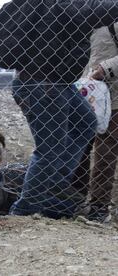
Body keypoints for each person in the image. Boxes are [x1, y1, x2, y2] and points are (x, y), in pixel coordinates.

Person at [0, 0, 118, 219]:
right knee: (50, 150)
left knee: (85, 123)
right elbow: (91, 12)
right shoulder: (62, 3)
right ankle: (24, 210)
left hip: (56, 82)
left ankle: (50, 184)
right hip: (44, 84)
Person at [73, 23, 118, 223]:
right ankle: (74, 199)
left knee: (105, 152)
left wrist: (105, 69)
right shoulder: (80, 12)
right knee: (78, 148)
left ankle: (99, 206)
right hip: (84, 93)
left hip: (113, 96)